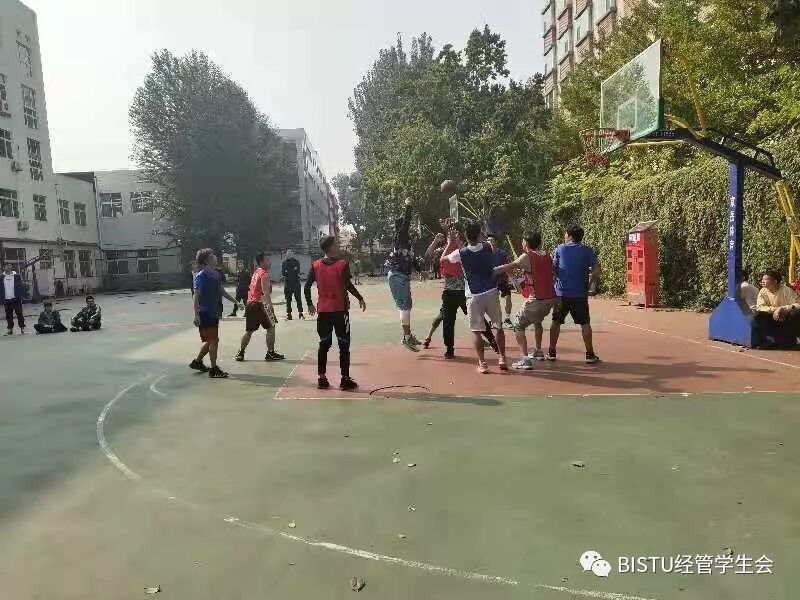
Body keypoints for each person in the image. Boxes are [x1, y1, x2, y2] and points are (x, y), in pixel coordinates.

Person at [422, 224, 498, 358]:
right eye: (451, 234)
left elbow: (468, 251)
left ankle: (492, 340)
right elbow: (428, 255)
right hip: (449, 291)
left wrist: (456, 242)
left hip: (464, 291)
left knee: (477, 318)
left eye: (456, 234)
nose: (453, 235)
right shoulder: (444, 249)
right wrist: (436, 241)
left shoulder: (462, 249)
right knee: (447, 320)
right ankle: (449, 349)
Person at [442, 222, 508, 374]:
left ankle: (483, 363)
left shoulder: (460, 253)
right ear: (480, 235)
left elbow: (443, 259)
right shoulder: (488, 246)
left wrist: (450, 243)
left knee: (477, 331)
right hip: (491, 291)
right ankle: (502, 358)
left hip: (474, 295)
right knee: (498, 326)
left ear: (465, 236)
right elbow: (486, 243)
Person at [305, 235, 366, 391]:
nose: (338, 246)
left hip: (323, 312)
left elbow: (306, 287)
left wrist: (310, 304)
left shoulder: (315, 265)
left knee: (324, 344)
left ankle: (322, 378)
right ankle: (344, 379)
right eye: (336, 244)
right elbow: (348, 285)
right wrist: (360, 297)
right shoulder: (342, 264)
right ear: (331, 247)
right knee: (344, 345)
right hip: (340, 311)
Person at [494, 232, 556, 370]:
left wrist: (489, 271)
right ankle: (538, 351)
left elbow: (508, 267)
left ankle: (525, 359)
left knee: (518, 325)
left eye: (523, 241)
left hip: (537, 299)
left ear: (526, 243)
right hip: (550, 298)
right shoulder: (546, 255)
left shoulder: (527, 256)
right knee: (537, 320)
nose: (521, 243)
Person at [549, 225, 601, 364]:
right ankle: (590, 354)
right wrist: (589, 285)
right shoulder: (587, 250)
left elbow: (552, 269)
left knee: (556, 322)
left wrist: (556, 280)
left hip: (561, 293)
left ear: (569, 235)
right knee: (585, 323)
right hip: (580, 294)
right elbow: (596, 271)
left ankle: (552, 352)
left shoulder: (560, 249)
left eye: (565, 234)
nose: (564, 236)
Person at [190, 249, 239, 378]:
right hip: (205, 313)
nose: (215, 257)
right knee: (214, 341)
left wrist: (236, 302)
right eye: (212, 256)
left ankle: (197, 362)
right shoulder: (201, 276)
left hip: (214, 312)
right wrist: (196, 314)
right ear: (206, 260)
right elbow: (196, 296)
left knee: (211, 340)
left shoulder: (216, 274)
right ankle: (213, 369)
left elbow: (221, 291)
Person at [386, 198, 425, 351]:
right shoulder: (400, 238)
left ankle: (407, 336)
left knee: (407, 306)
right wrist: (408, 206)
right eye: (406, 227)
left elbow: (413, 261)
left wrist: (420, 271)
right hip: (397, 276)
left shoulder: (406, 245)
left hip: (402, 277)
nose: (409, 229)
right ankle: (407, 338)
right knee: (405, 307)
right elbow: (406, 224)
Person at [235, 253, 284, 362]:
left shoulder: (256, 272)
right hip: (261, 304)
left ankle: (240, 352)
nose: (269, 262)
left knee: (249, 331)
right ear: (261, 262)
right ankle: (270, 353)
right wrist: (270, 306)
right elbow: (265, 292)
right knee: (271, 327)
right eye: (267, 260)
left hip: (251, 304)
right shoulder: (264, 274)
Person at [754, 269, 800, 346]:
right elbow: (760, 307)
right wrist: (775, 310)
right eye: (762, 279)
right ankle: (769, 340)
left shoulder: (786, 290)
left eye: (766, 279)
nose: (762, 281)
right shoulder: (763, 291)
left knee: (795, 313)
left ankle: (793, 338)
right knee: (760, 315)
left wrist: (783, 309)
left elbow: (798, 304)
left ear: (775, 281)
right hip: (773, 318)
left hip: (786, 318)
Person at [487, 234, 514, 326]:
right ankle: (494, 320)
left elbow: (507, 267)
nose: (489, 242)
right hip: (492, 282)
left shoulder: (502, 253)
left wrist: (512, 279)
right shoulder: (485, 254)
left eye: (491, 240)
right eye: (488, 240)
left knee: (508, 299)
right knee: (494, 302)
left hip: (503, 280)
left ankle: (507, 319)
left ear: (496, 242)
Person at [2, 263, 25, 335]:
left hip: (16, 299)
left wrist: (20, 296)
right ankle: (10, 329)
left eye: (10, 265)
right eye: (7, 266)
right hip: (6, 299)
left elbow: (20, 286)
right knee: (8, 315)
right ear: (4, 267)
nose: (9, 267)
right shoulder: (1, 277)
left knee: (19, 313)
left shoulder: (17, 276)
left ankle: (22, 328)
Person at [282, 249, 304, 320]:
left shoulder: (296, 262)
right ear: (286, 254)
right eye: (288, 254)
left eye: (290, 253)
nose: (289, 255)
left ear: (293, 254)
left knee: (298, 299)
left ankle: (300, 313)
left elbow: (297, 271)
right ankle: (289, 314)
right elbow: (283, 273)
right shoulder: (284, 262)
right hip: (287, 283)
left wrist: (288, 271)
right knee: (288, 299)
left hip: (296, 283)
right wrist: (293, 270)